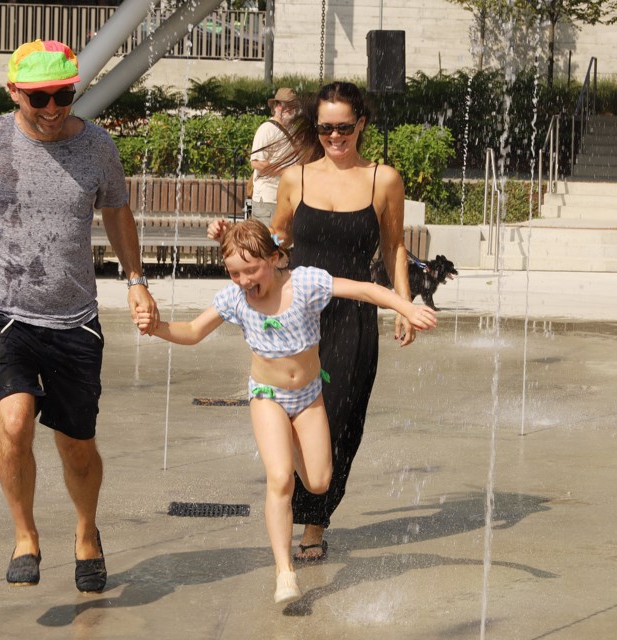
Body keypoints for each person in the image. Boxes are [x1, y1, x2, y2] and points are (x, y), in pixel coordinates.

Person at [0, 39, 159, 592]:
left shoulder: (98, 147)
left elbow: (118, 213)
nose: (52, 109)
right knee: (15, 421)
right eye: (40, 98)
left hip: (74, 315)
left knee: (77, 446)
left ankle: (86, 531)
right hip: (1, 307)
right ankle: (25, 535)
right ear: (15, 93)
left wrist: (137, 281)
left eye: (64, 96)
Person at [135, 219, 436, 604]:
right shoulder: (234, 299)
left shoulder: (306, 284)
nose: (243, 280)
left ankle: (292, 448)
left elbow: (364, 289)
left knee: (319, 482)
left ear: (276, 258)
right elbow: (193, 332)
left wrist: (406, 307)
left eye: (251, 270)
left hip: (309, 396)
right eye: (234, 273)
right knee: (280, 479)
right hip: (267, 395)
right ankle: (284, 572)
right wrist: (157, 326)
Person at [209, 81, 418, 563]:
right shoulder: (296, 178)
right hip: (298, 310)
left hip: (353, 313)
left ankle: (315, 518)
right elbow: (276, 241)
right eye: (326, 129)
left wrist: (402, 304)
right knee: (296, 410)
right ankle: (297, 503)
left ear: (361, 125)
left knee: (343, 418)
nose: (335, 137)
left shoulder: (382, 179)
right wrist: (232, 235)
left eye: (344, 128)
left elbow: (393, 246)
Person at [249, 87, 299, 226]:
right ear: (277, 106)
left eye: (293, 106)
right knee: (268, 244)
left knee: (282, 244)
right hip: (268, 200)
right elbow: (256, 163)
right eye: (286, 105)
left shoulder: (293, 130)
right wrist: (288, 173)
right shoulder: (266, 129)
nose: (290, 109)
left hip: (287, 199)